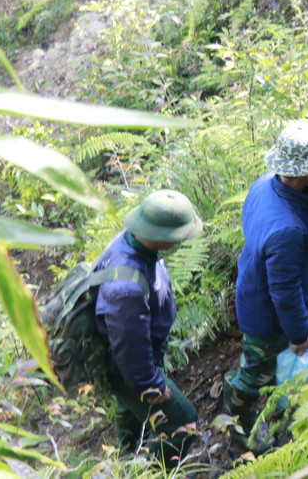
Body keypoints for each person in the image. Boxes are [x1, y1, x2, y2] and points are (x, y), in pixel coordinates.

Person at [223, 119, 308, 450]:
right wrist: (297, 336)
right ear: (306, 171)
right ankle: (237, 435)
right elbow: (284, 294)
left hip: (262, 287)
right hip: (266, 313)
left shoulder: (264, 184)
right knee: (253, 376)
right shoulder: (287, 229)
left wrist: (304, 332)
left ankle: (294, 391)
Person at [94, 189, 203, 466]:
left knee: (130, 413)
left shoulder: (130, 242)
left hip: (131, 363)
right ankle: (144, 471)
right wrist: (151, 386)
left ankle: (125, 457)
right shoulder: (126, 288)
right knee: (182, 423)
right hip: (130, 369)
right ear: (162, 236)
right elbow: (129, 348)